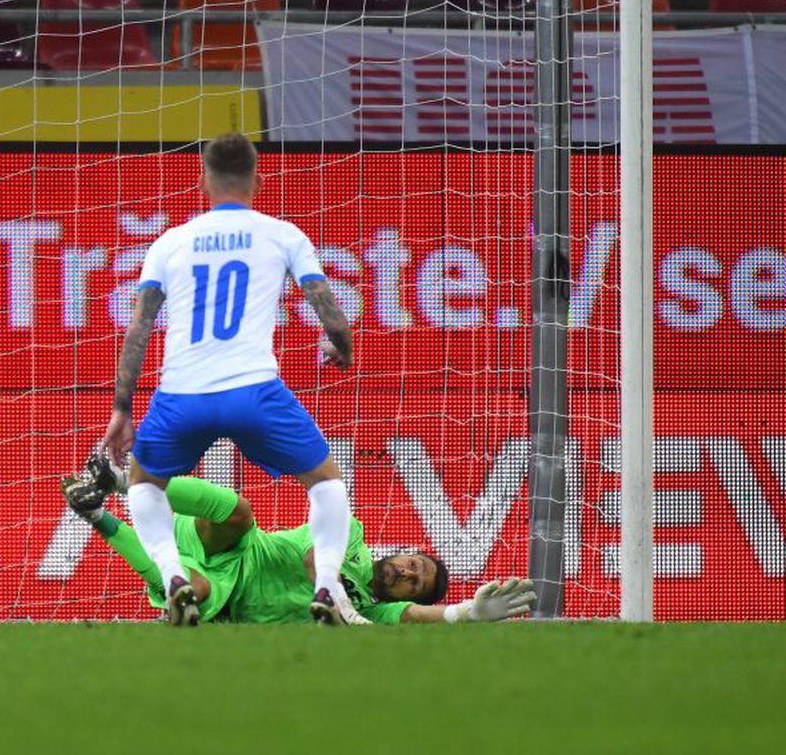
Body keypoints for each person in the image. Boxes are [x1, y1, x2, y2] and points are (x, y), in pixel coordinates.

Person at [103, 133, 365, 625]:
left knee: (143, 485)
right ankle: (328, 588)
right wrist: (341, 350)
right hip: (255, 392)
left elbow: (139, 328)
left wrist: (122, 408)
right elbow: (330, 313)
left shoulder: (170, 241)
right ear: (258, 181)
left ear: (203, 182)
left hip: (181, 394)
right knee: (325, 483)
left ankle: (174, 578)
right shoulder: (283, 234)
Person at [61, 454, 536, 625]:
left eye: (414, 582)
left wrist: (466, 613)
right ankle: (124, 481)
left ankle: (99, 515)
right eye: (415, 563)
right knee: (239, 513)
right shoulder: (353, 536)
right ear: (404, 550)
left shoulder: (373, 614)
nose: (408, 573)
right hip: (237, 547)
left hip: (228, 595)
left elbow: (414, 617)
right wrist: (338, 605)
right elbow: (314, 559)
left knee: (190, 591)